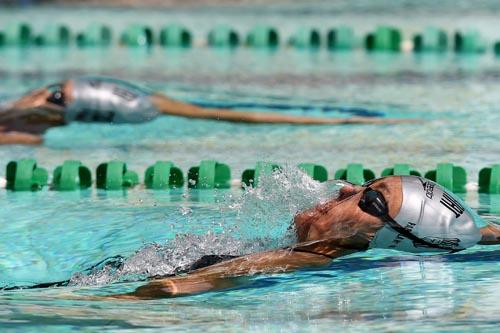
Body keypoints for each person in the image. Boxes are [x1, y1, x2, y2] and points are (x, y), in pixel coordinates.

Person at [103, 175, 500, 300]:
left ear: (380, 235)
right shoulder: (405, 236)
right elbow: (472, 234)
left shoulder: (300, 262)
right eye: (367, 183)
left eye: (371, 197)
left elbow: (181, 287)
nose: (346, 188)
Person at [0, 76, 411, 145]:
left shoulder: (152, 105)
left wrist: (340, 121)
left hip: (147, 106)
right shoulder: (29, 133)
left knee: (223, 113)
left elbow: (242, 117)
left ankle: (339, 117)